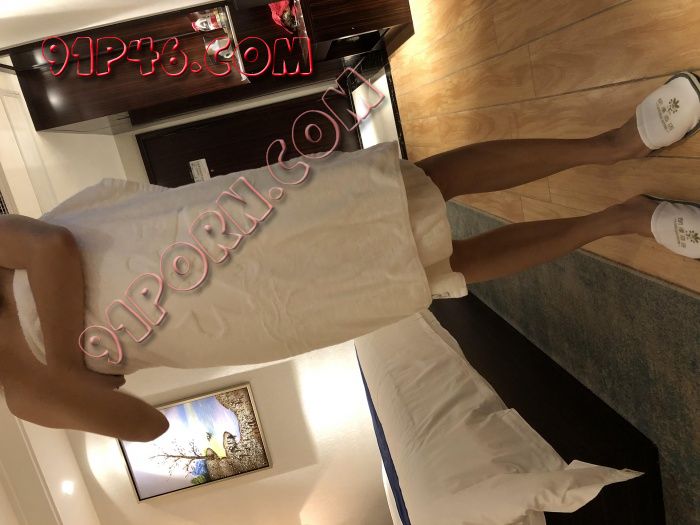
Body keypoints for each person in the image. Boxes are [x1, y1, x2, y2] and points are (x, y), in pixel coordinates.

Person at [0, 72, 698, 442]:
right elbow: (146, 424)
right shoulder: (22, 396)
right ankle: (622, 220)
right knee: (438, 270)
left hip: (203, 231)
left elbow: (49, 247)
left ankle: (614, 144)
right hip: (244, 318)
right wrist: (55, 381)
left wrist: (61, 367)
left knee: (415, 186)